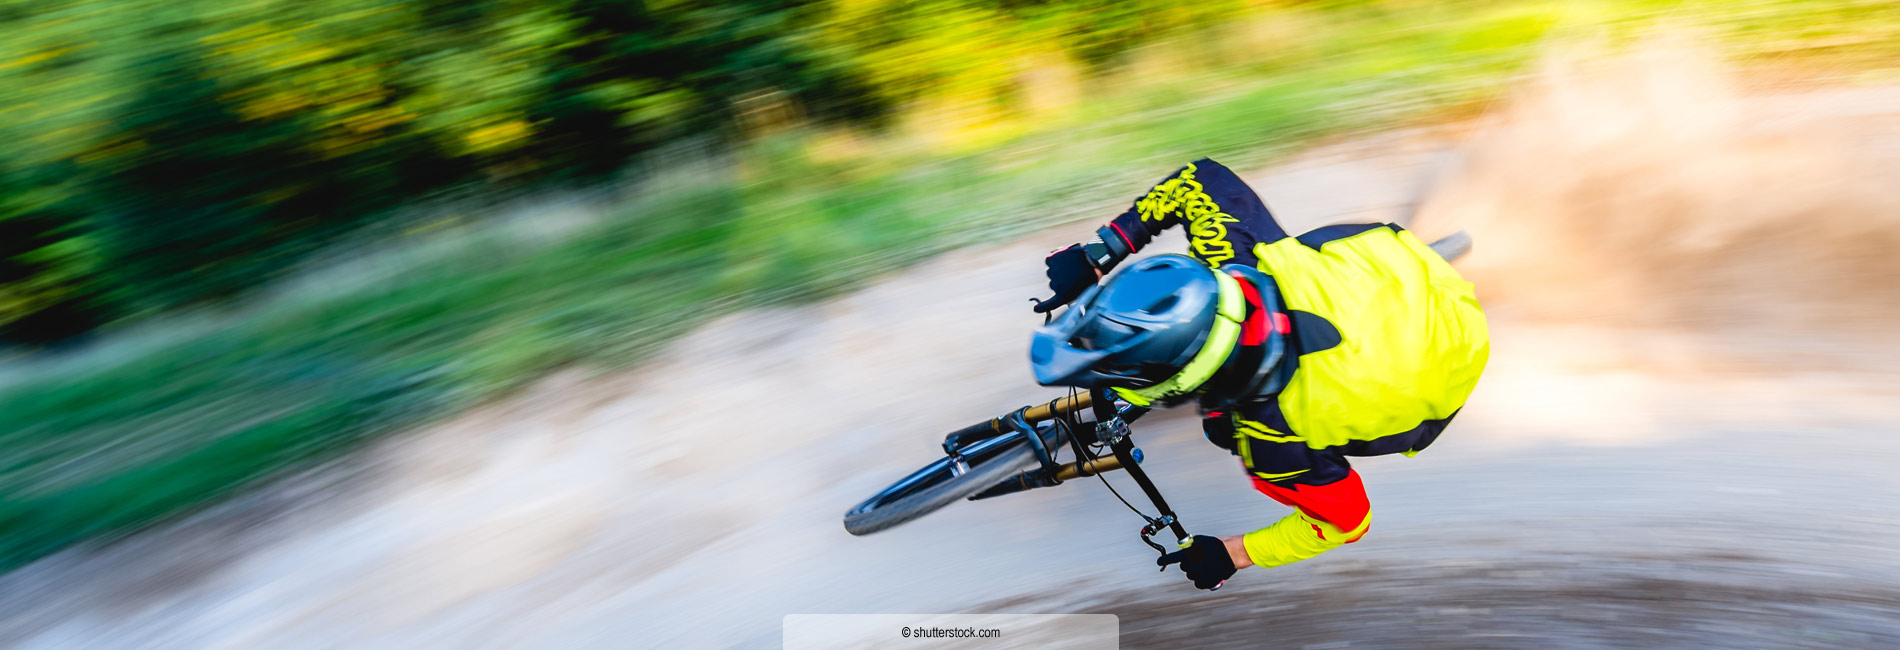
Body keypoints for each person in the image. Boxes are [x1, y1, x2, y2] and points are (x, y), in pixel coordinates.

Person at [1028, 158, 1489, 590]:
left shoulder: (1274, 443)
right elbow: (1199, 179)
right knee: (1292, 259)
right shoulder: (1238, 258)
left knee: (1222, 431)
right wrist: (1099, 252)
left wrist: (1236, 554)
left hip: (1446, 364)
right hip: (1394, 264)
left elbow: (1347, 521)